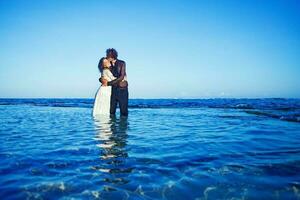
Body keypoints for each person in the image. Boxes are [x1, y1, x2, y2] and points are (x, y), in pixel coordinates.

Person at [101, 48, 129, 117]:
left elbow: (121, 77)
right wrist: (101, 80)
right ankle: (112, 127)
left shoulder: (122, 63)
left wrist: (108, 83)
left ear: (112, 56)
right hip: (113, 90)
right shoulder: (107, 64)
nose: (107, 57)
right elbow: (103, 75)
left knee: (123, 111)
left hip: (122, 90)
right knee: (112, 111)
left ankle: (123, 127)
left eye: (108, 55)